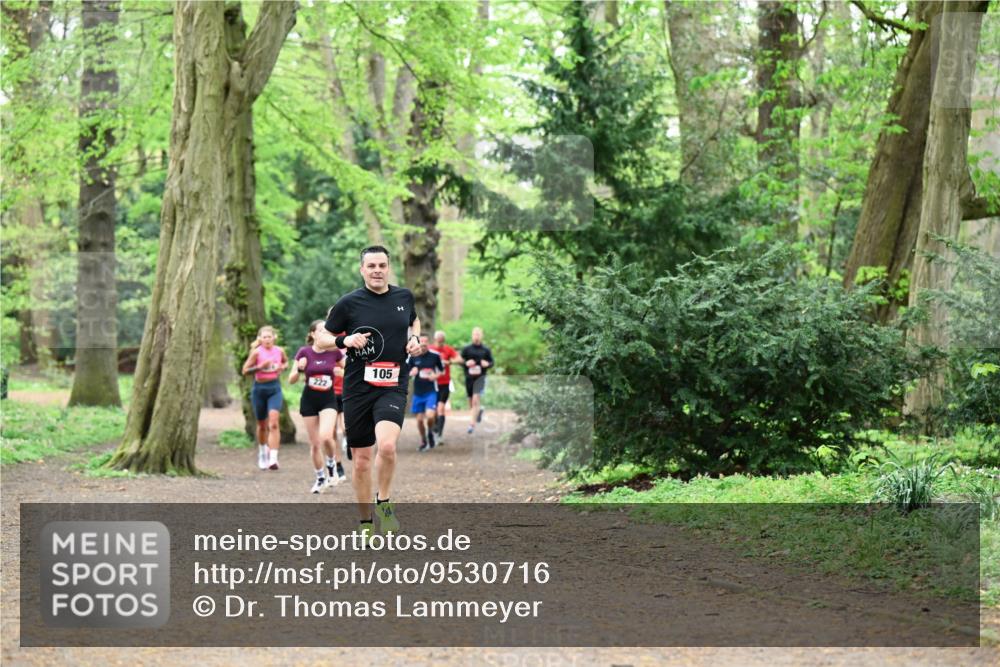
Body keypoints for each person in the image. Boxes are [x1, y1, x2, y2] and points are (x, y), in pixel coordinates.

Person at [315, 245, 421, 536]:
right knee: (361, 461)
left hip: (394, 383)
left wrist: (415, 338)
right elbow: (321, 338)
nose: (377, 270)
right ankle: (365, 523)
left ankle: (384, 503)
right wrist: (344, 341)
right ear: (362, 269)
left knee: (387, 446)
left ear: (389, 268)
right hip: (358, 388)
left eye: (382, 265)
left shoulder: (404, 296)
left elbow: (413, 320)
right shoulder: (349, 303)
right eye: (371, 266)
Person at [289, 320, 347, 494]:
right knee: (314, 444)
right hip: (309, 400)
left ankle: (331, 465)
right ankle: (320, 478)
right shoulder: (304, 352)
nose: (325, 333)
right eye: (321, 331)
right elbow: (291, 380)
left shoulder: (335, 352)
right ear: (313, 334)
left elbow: (352, 371)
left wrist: (341, 372)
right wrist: (299, 369)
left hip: (328, 400)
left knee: (326, 436)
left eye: (327, 331)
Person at [241, 326, 288, 470]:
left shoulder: (279, 351)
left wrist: (282, 367)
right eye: (264, 337)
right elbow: (245, 370)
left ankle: (273, 458)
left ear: (274, 337)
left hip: (274, 388)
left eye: (269, 336)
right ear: (260, 339)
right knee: (262, 425)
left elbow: (286, 362)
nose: (267, 339)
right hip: (259, 389)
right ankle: (262, 453)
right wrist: (260, 367)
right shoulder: (256, 353)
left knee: (273, 423)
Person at [407, 334, 444, 452]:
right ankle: (424, 440)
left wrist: (435, 375)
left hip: (431, 392)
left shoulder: (435, 356)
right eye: (421, 341)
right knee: (418, 420)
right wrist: (411, 372)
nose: (423, 343)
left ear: (428, 342)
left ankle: (430, 433)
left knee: (430, 416)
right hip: (418, 393)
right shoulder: (412, 357)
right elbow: (406, 372)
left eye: (425, 341)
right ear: (418, 342)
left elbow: (442, 371)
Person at [428, 330, 461, 444]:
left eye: (442, 342)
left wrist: (449, 362)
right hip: (432, 384)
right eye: (439, 341)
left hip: (445, 383)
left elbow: (459, 359)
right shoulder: (430, 349)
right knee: (433, 411)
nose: (440, 344)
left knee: (441, 408)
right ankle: (434, 430)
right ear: (435, 340)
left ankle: (439, 435)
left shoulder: (448, 349)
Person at [461, 327, 494, 435]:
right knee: (471, 402)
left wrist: (487, 364)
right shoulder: (466, 349)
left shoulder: (486, 350)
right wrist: (466, 363)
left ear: (482, 336)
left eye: (478, 334)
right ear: (472, 335)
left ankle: (471, 425)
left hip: (480, 378)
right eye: (475, 334)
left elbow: (492, 363)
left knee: (475, 400)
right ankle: (478, 412)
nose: (476, 336)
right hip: (469, 378)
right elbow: (460, 360)